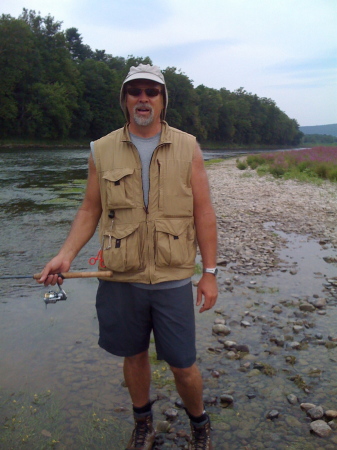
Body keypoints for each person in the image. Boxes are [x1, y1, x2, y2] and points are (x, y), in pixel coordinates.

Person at [38, 64, 218, 450]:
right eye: (134, 91)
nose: (142, 98)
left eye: (151, 91)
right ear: (124, 99)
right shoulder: (100, 150)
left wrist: (210, 273)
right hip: (120, 276)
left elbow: (204, 212)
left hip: (172, 277)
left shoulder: (188, 147)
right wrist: (65, 255)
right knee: (133, 356)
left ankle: (200, 425)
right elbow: (90, 209)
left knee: (183, 365)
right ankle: (143, 424)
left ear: (163, 100)